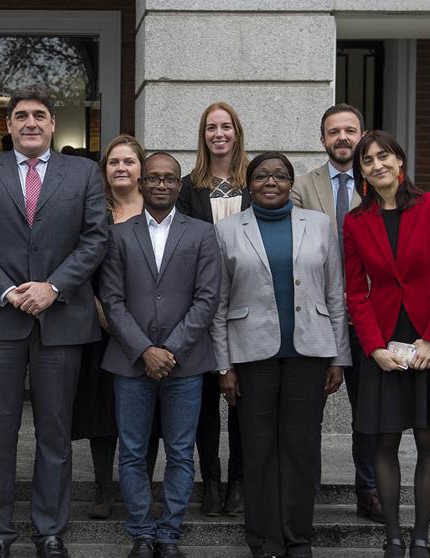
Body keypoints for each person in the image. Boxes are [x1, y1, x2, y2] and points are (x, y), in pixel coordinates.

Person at [0, 85, 108, 558]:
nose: (31, 123)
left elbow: (95, 238)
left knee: (55, 433)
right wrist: (6, 291)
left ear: (53, 123)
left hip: (60, 320)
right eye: (21, 115)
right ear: (9, 124)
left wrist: (53, 287)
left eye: (40, 115)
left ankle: (50, 531)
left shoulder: (84, 173)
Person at [210, 152, 349, 558]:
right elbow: (218, 303)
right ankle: (265, 540)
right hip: (251, 356)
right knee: (258, 449)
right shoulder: (227, 230)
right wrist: (224, 365)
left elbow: (335, 295)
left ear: (291, 183)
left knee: (301, 448)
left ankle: (297, 538)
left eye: (280, 176)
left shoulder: (319, 225)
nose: (270, 182)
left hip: (310, 354)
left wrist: (339, 357)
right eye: (261, 176)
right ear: (248, 183)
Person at [343, 131, 430, 558]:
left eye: (384, 156)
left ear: (399, 160)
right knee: (384, 442)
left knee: (428, 440)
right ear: (361, 173)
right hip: (382, 344)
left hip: (429, 337)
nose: (377, 165)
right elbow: (356, 292)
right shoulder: (356, 222)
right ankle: (393, 538)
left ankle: (421, 538)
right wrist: (374, 348)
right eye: (367, 160)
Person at [101, 152, 220, 558]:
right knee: (133, 451)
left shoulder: (202, 233)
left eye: (169, 178)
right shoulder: (119, 235)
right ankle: (142, 533)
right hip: (130, 362)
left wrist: (169, 350)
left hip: (185, 363)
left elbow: (207, 299)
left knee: (181, 452)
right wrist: (144, 350)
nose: (162, 185)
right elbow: (112, 300)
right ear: (142, 183)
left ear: (179, 185)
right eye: (153, 178)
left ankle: (169, 534)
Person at [291, 103, 384, 523]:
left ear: (361, 135)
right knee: (307, 412)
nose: (342, 137)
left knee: (370, 411)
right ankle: (305, 492)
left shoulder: (381, 183)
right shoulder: (301, 187)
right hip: (318, 315)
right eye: (334, 132)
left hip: (371, 318)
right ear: (322, 139)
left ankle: (369, 489)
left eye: (350, 130)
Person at [174, 101, 251, 516]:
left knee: (242, 402)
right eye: (211, 128)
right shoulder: (188, 188)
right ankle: (212, 482)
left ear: (237, 132)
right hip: (202, 306)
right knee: (204, 403)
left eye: (226, 127)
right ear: (203, 136)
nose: (219, 134)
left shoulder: (255, 182)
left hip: (247, 307)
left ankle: (239, 481)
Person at [72, 133, 145, 520]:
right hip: (100, 326)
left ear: (141, 168)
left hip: (149, 330)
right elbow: (79, 265)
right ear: (104, 170)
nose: (121, 168)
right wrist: (101, 312)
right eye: (114, 162)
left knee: (146, 411)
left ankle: (139, 485)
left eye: (128, 161)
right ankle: (103, 486)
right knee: (102, 410)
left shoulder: (159, 208)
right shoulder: (93, 211)